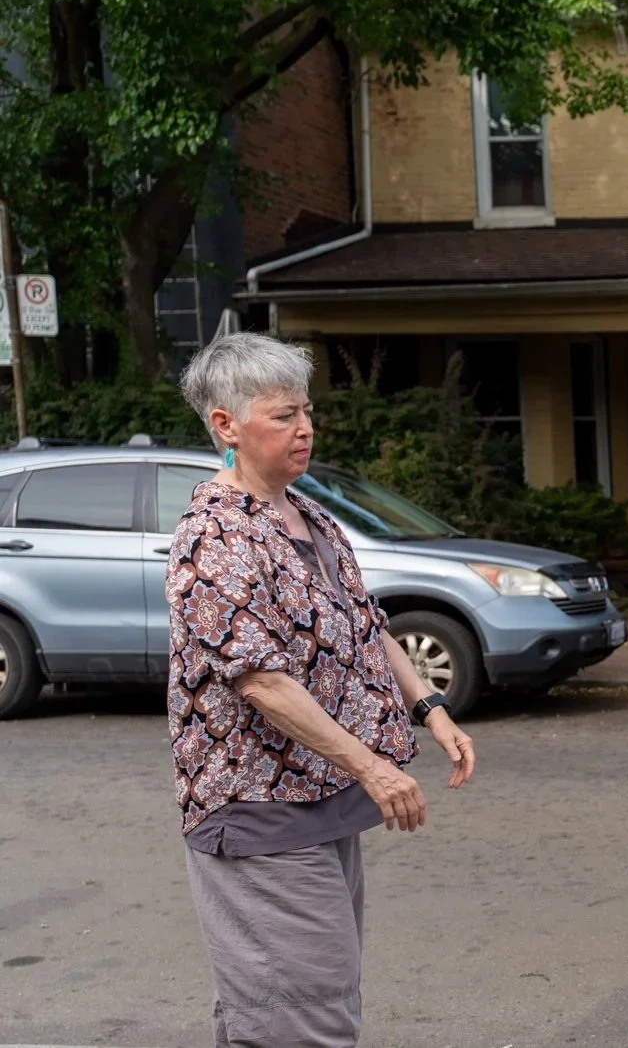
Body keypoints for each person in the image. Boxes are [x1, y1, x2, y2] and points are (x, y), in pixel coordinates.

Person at [167, 331, 478, 1047]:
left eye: (306, 410)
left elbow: (368, 624)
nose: (304, 428)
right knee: (302, 1019)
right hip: (260, 814)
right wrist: (371, 766)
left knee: (305, 1003)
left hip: (323, 802)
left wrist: (431, 708)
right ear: (225, 425)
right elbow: (261, 679)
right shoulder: (213, 535)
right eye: (282, 415)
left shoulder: (310, 517)